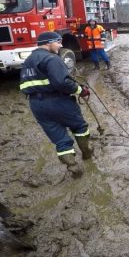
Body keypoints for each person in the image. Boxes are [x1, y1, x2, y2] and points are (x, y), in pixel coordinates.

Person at [19, 31, 93, 178]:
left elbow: (23, 87)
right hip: (59, 102)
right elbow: (62, 82)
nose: (60, 45)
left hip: (37, 106)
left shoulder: (28, 61)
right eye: (58, 42)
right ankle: (87, 153)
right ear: (48, 43)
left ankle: (72, 166)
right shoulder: (51, 58)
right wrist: (80, 90)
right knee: (79, 127)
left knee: (59, 138)